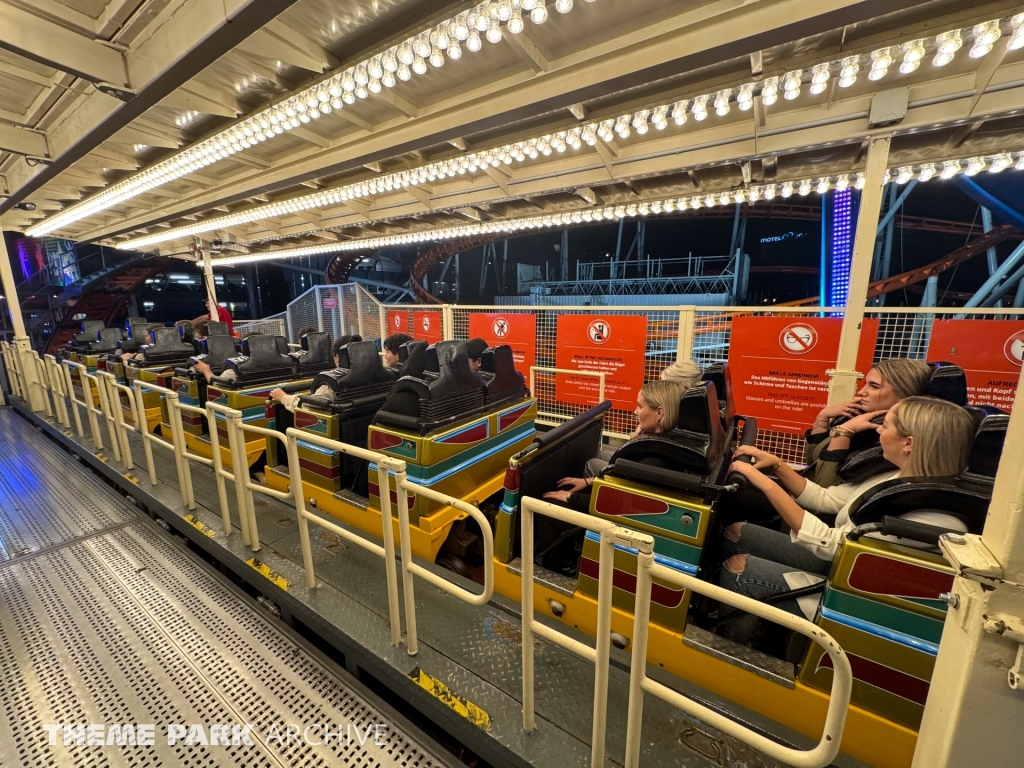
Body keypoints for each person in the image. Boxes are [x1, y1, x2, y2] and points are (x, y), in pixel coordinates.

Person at [719, 396, 975, 642]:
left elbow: (831, 544)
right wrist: (777, 465)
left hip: (858, 599)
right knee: (736, 532)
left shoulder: (929, 511)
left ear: (908, 443)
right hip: (841, 567)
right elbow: (827, 499)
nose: (878, 433)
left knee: (739, 567)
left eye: (885, 426)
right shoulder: (898, 477)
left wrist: (765, 484)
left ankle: (729, 649)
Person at [543, 379, 688, 511]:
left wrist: (570, 497)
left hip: (612, 519)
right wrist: (589, 481)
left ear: (659, 413)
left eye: (639, 406)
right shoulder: (664, 440)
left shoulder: (651, 460)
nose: (635, 411)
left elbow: (614, 503)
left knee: (548, 506)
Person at [804, 358, 932, 488]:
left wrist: (842, 433)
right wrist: (822, 419)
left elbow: (824, 486)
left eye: (874, 386)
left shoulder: (890, 438)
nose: (861, 392)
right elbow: (812, 462)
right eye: (865, 384)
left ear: (905, 396)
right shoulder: (858, 417)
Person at [269, 335, 362, 412]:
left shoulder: (331, 386)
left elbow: (306, 407)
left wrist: (284, 398)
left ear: (337, 357)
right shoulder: (374, 376)